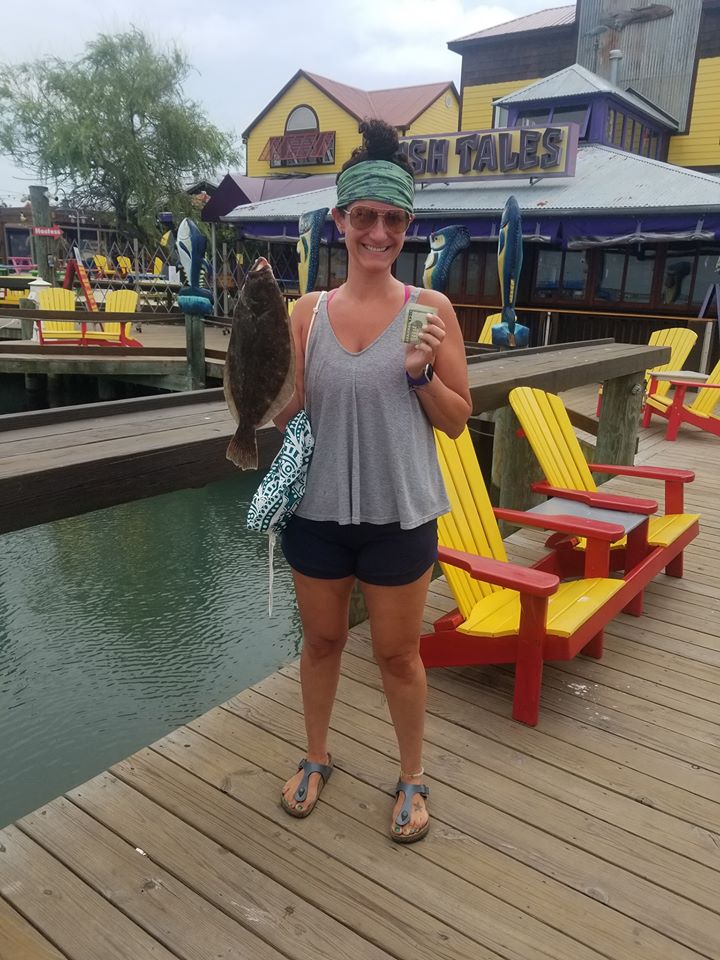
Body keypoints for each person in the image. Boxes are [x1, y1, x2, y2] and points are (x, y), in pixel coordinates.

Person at [274, 119, 471, 843]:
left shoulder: (430, 311)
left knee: (397, 655)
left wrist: (419, 375)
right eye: (364, 217)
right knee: (322, 643)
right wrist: (260, 381)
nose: (378, 232)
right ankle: (316, 755)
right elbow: (287, 410)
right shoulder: (306, 313)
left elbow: (457, 420)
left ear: (407, 226)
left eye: (392, 219)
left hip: (400, 514)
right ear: (340, 221)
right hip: (316, 513)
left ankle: (413, 774)